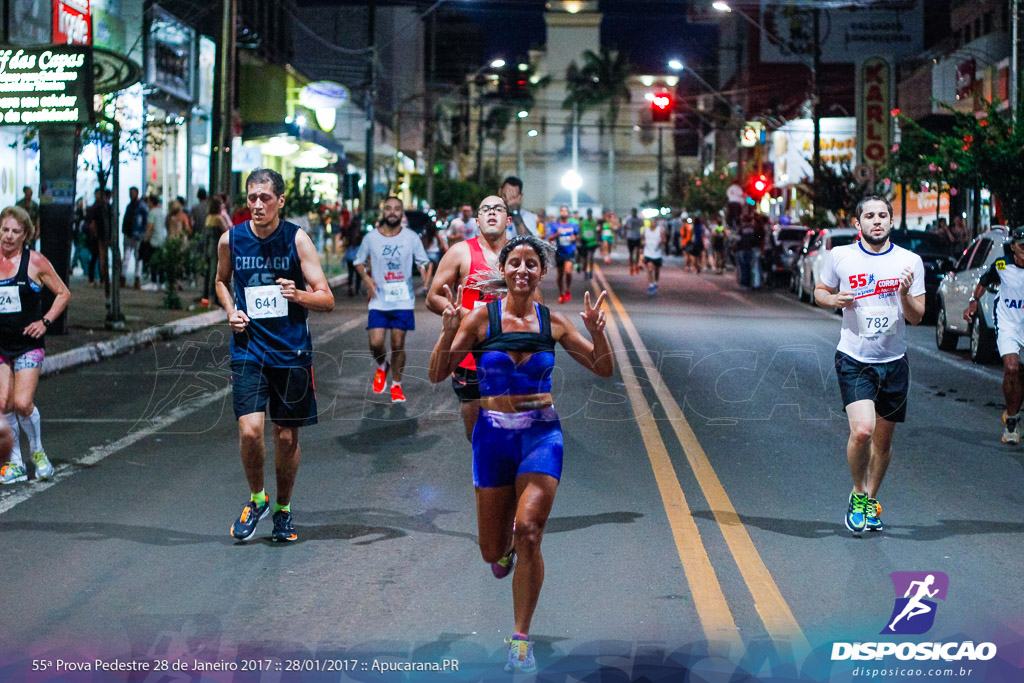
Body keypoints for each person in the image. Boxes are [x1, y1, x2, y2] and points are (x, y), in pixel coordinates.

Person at [428, 234, 613, 673]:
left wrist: (597, 334)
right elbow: (437, 373)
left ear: (542, 273)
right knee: (492, 551)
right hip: (492, 438)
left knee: (529, 529)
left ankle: (520, 638)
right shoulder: (479, 319)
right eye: (516, 262)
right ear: (504, 270)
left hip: (540, 435)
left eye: (532, 263)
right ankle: (504, 553)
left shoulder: (555, 323)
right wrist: (449, 331)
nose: (523, 270)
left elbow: (603, 368)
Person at [217, 168, 335, 543]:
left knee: (285, 438)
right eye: (251, 197)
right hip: (249, 348)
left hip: (291, 351)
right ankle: (258, 499)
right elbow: (221, 281)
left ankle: (283, 509)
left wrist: (297, 295)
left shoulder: (297, 240)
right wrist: (229, 310)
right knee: (250, 431)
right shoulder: (231, 240)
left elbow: (327, 298)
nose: (257, 204)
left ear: (280, 201)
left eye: (265, 198)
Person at [814, 196, 925, 535]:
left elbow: (917, 317)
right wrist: (834, 300)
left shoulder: (910, 262)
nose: (876, 221)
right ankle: (858, 494)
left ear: (891, 221)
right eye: (869, 216)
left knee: (883, 442)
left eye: (882, 215)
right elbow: (820, 291)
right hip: (854, 358)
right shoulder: (840, 256)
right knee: (862, 430)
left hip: (893, 361)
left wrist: (905, 294)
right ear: (858, 222)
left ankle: (871, 499)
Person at [427, 196, 516, 442]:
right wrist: (462, 315)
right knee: (476, 434)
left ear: (508, 220)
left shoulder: (519, 255)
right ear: (477, 220)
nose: (491, 213)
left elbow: (537, 304)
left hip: (511, 353)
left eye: (497, 209)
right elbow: (433, 297)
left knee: (510, 431)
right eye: (485, 209)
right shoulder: (460, 252)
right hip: (469, 356)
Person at [0, 206, 71, 485]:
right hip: (1, 344)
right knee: (4, 403)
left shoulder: (35, 262)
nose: (8, 236)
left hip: (28, 344)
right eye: (5, 229)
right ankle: (15, 463)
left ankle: (38, 452)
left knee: (21, 402)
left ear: (25, 235)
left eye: (15, 231)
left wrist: (46, 321)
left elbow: (64, 293)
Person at [354, 196, 430, 403]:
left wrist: (425, 272)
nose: (392, 212)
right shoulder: (371, 238)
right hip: (378, 300)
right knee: (376, 343)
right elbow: (358, 262)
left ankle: (396, 385)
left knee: (398, 344)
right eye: (389, 209)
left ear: (402, 213)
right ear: (383, 212)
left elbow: (424, 260)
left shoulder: (411, 237)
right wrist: (366, 278)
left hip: (403, 300)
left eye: (397, 209)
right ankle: (382, 366)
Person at [964, 227, 1024, 443]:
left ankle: (1013, 412)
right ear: (1014, 247)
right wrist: (973, 302)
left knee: (1021, 377)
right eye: (1021, 246)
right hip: (1008, 323)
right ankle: (1012, 421)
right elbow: (983, 282)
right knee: (1011, 368)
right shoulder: (1002, 265)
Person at [546, 206, 578, 303]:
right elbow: (550, 238)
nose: (563, 213)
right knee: (560, 274)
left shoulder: (573, 225)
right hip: (560, 252)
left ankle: (567, 289)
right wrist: (557, 234)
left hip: (570, 251)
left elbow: (578, 236)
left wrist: (574, 238)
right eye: (562, 211)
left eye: (565, 211)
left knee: (568, 271)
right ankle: (561, 293)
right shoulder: (555, 226)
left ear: (568, 213)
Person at [203, 196, 230, 300]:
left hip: (209, 247)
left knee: (209, 273)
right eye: (221, 204)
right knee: (216, 274)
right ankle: (213, 298)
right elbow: (226, 231)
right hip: (217, 248)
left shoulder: (209, 218)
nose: (223, 206)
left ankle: (206, 296)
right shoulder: (218, 218)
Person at [121, 187, 148, 289]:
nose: (131, 195)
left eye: (133, 193)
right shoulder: (131, 206)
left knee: (137, 258)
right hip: (130, 235)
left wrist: (142, 233)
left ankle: (136, 278)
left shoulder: (140, 206)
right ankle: (124, 277)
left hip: (137, 236)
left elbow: (144, 221)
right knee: (127, 257)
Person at [143, 195, 166, 284]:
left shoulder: (152, 213)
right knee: (161, 262)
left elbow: (150, 227)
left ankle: (153, 281)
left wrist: (146, 238)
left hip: (154, 240)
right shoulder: (161, 212)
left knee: (153, 261)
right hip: (161, 239)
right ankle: (162, 281)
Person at [422, 218, 448, 291]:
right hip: (435, 254)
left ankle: (425, 285)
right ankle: (436, 286)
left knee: (428, 270)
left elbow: (424, 246)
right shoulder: (437, 236)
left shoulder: (426, 236)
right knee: (436, 271)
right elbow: (443, 245)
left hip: (427, 254)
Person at [643, 216, 666, 295]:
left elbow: (664, 239)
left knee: (656, 270)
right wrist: (643, 243)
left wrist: (660, 243)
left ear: (656, 223)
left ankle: (656, 282)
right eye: (651, 221)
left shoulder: (659, 230)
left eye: (654, 221)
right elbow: (643, 239)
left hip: (657, 253)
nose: (652, 223)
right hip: (648, 252)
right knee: (649, 268)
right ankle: (651, 285)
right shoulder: (646, 230)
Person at [342, 218, 364, 297]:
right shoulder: (361, 234)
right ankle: (357, 290)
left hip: (349, 256)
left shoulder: (349, 233)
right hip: (358, 257)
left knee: (350, 273)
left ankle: (350, 287)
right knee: (358, 274)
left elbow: (345, 244)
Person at [577, 208, 599, 280]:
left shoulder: (594, 221)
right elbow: (580, 229)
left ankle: (591, 271)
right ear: (587, 214)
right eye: (588, 213)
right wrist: (579, 237)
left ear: (591, 213)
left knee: (591, 257)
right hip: (584, 241)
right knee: (585, 258)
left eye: (590, 213)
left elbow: (596, 231)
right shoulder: (583, 221)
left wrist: (597, 240)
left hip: (592, 241)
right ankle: (586, 270)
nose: (589, 214)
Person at [623, 208, 644, 275]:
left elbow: (642, 225)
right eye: (633, 212)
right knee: (631, 253)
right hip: (630, 237)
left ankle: (636, 265)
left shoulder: (639, 219)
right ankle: (631, 267)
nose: (634, 213)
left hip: (637, 237)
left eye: (635, 212)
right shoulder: (629, 219)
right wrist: (628, 228)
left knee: (638, 252)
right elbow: (625, 227)